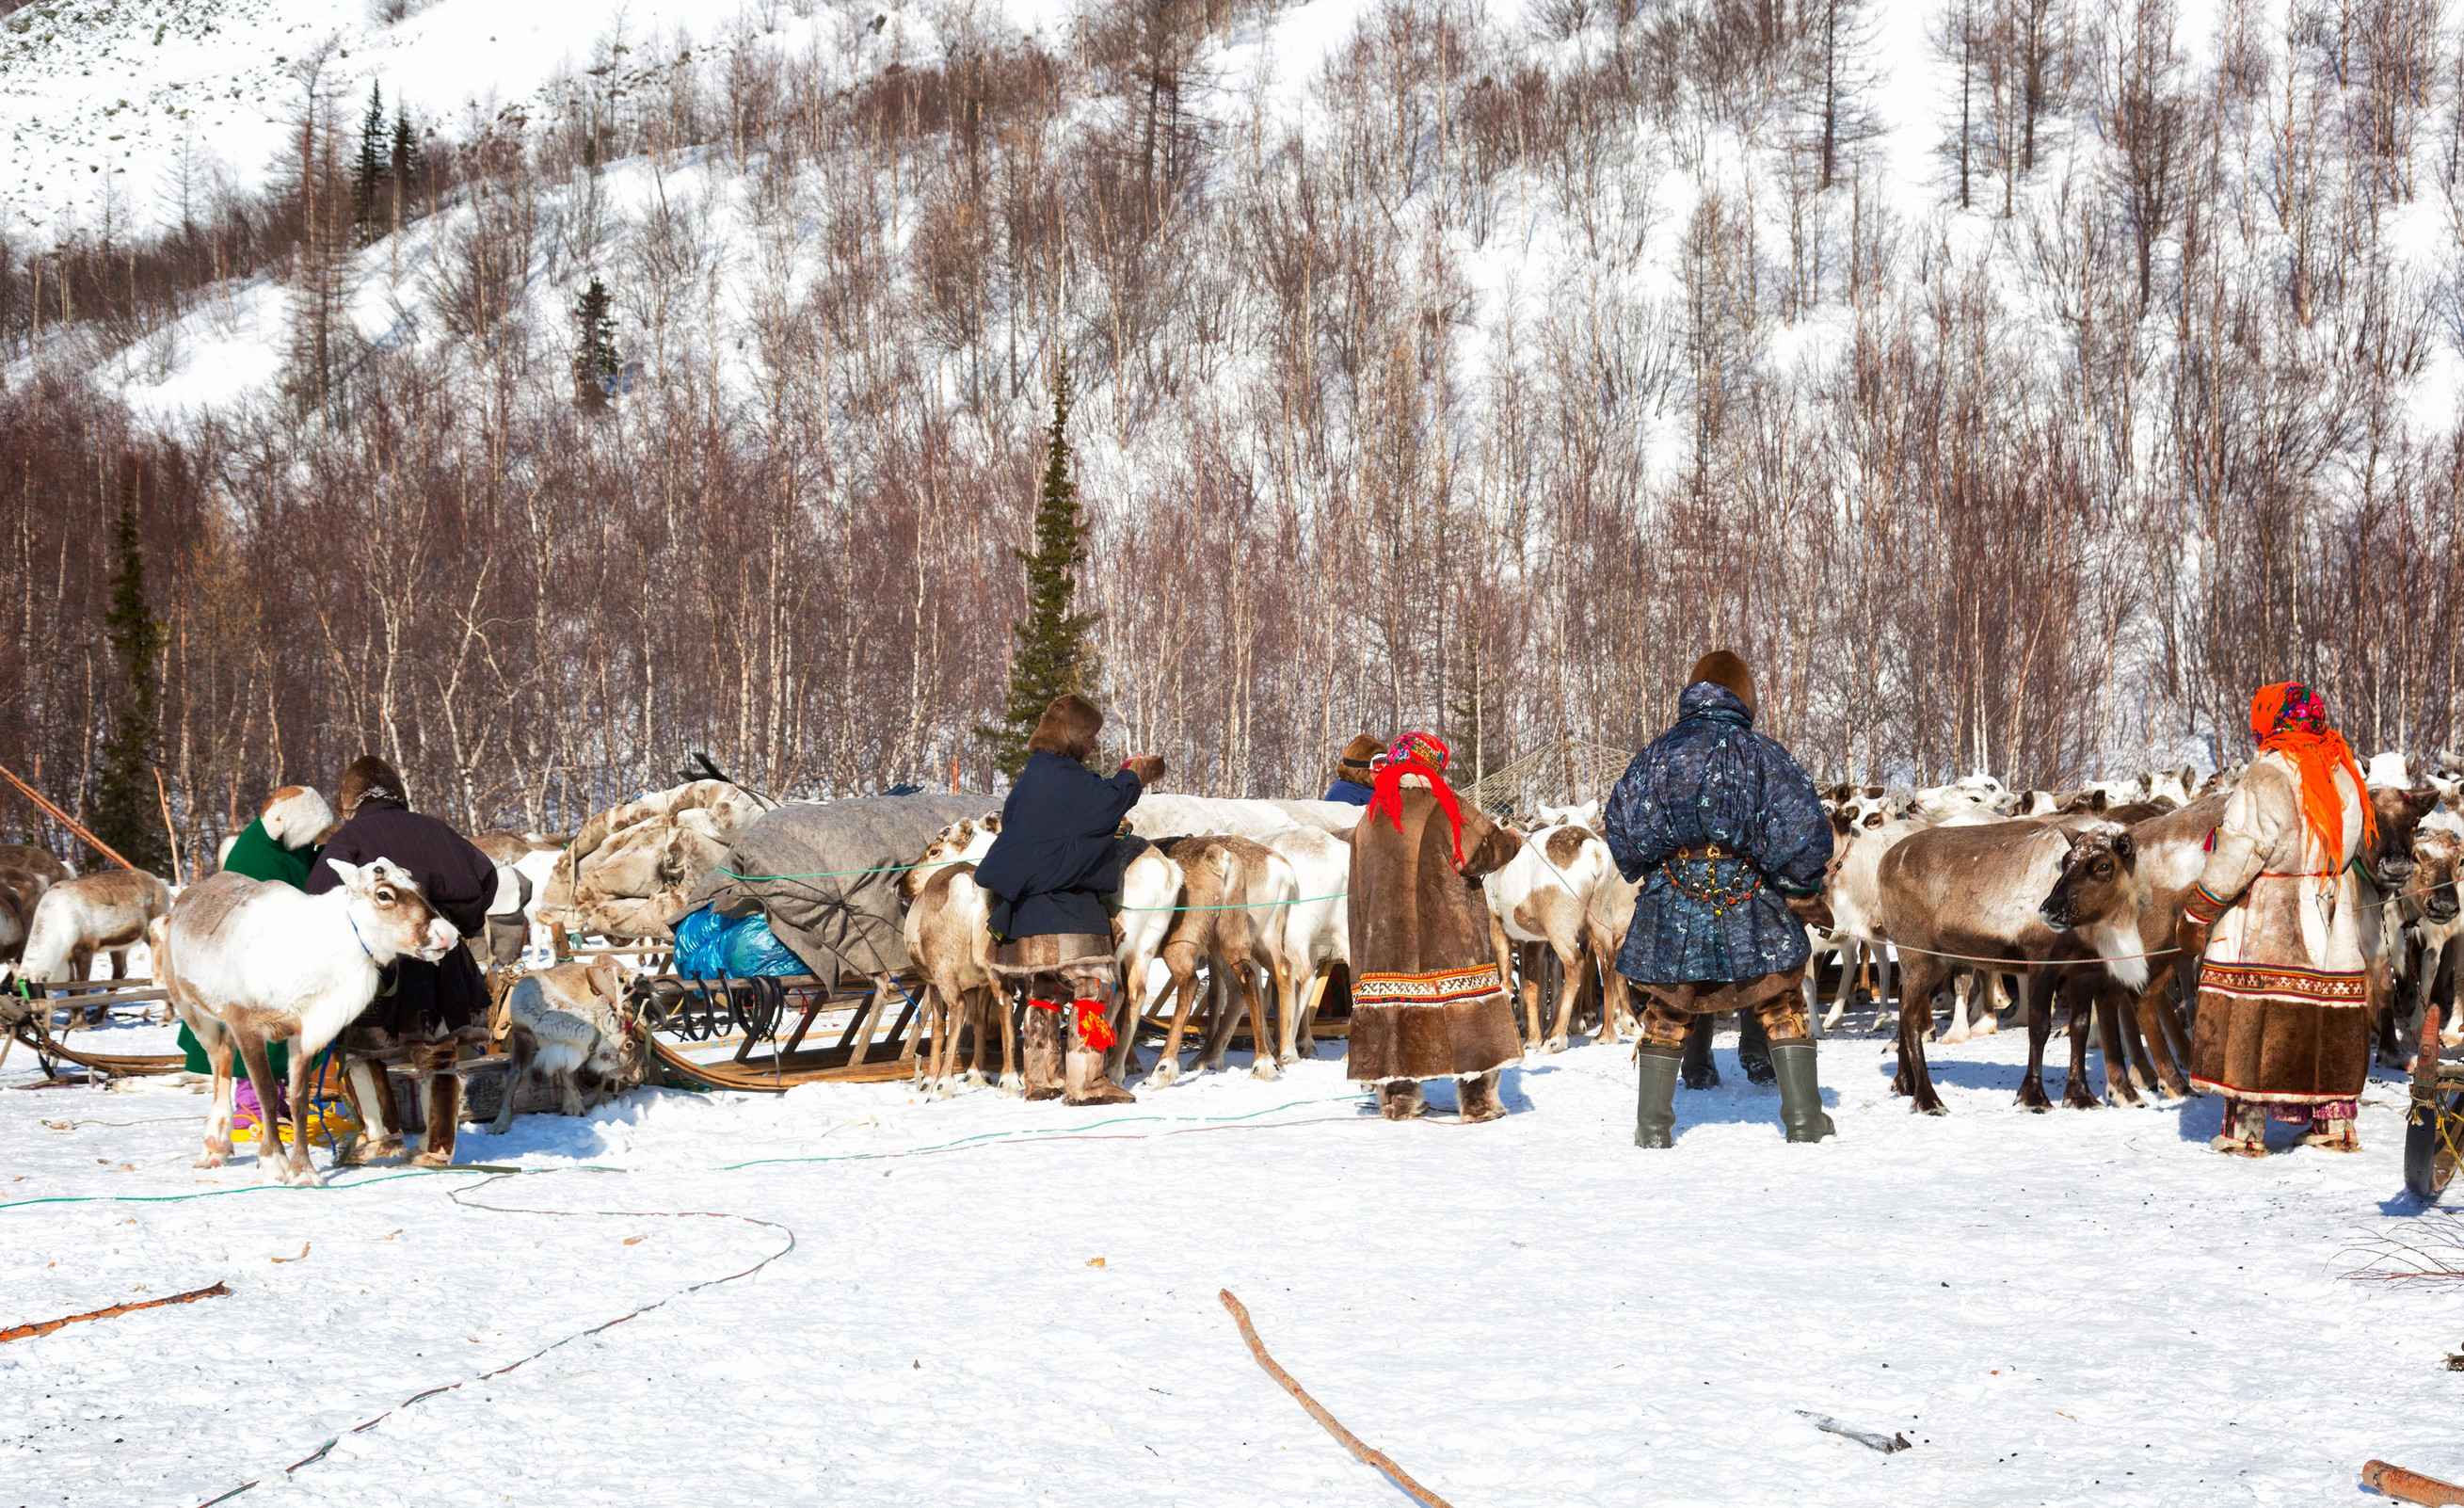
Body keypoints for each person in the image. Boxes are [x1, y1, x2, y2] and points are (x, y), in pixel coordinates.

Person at [1603, 650, 1835, 1147]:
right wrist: (1802, 885)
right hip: (1750, 896)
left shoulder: (1655, 756)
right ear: (1744, 696)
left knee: (1667, 1007)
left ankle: (1652, 1128)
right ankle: (1804, 1119)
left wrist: (1654, 866)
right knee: (1780, 997)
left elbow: (1623, 831)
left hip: (1674, 895)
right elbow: (1802, 832)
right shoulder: (1763, 754)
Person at [2180, 682, 2376, 1156]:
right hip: (2329, 909)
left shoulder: (2267, 775)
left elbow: (2241, 853)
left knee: (2256, 1013)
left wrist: (2197, 910)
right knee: (2325, 1015)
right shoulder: (2342, 771)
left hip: (2270, 913)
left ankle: (2246, 1131)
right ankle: (2334, 1125)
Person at [303, 756, 498, 1167]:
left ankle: (381, 1137)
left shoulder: (350, 837)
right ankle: (438, 1147)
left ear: (349, 801)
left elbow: (318, 894)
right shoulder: (437, 829)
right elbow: (485, 874)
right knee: (438, 1051)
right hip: (443, 959)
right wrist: (458, 920)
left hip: (380, 969)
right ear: (398, 794)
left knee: (360, 1051)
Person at [974, 695, 1163, 1106]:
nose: (1093, 744)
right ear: (1074, 735)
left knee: (1044, 990)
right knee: (1094, 989)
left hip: (1024, 913)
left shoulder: (1030, 779)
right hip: (1069, 912)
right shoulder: (1067, 779)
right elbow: (1106, 804)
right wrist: (1133, 776)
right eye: (1091, 736)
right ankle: (1087, 1082)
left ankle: (1041, 1078)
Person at [1344, 730, 1525, 1122]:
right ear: (1433, 765)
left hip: (1385, 945)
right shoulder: (1443, 804)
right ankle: (1478, 1103)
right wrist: (1511, 840)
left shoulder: (1371, 816)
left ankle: (1398, 1100)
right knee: (1466, 1017)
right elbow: (1479, 852)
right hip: (1448, 935)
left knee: (1395, 1012)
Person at [177, 785, 336, 1116]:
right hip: (248, 964)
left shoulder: (290, 845)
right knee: (252, 1031)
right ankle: (251, 1105)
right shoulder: (256, 856)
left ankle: (274, 1098)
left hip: (284, 962)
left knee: (280, 1033)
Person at [1321, 733, 1385, 806]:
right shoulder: (1344, 793)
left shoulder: (1373, 789)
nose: (1384, 771)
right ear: (1359, 770)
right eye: (1378, 766)